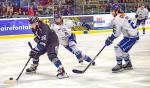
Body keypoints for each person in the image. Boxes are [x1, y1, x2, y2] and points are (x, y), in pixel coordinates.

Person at [105, 4, 139, 73]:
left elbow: (117, 33)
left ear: (117, 11)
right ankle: (128, 63)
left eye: (113, 11)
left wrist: (110, 38)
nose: (112, 12)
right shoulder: (124, 15)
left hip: (131, 37)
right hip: (132, 36)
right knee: (122, 50)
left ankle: (119, 65)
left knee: (117, 48)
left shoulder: (117, 18)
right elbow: (119, 23)